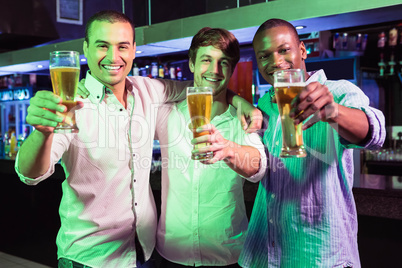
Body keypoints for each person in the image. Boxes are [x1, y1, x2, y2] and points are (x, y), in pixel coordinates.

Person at [15, 10, 193, 268]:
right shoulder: (72, 104)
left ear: (133, 50)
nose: (113, 57)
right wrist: (43, 132)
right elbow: (29, 174)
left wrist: (239, 101)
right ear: (85, 48)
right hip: (90, 259)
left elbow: (201, 87)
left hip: (144, 252)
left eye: (122, 46)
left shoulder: (148, 90)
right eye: (102, 46)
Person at [238, 18, 386, 268]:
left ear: (303, 50)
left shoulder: (338, 91)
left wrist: (333, 111)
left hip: (319, 256)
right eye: (264, 56)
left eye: (284, 50)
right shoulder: (264, 105)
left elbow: (375, 134)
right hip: (264, 254)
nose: (275, 61)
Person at [154, 27, 266, 268]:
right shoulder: (166, 114)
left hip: (227, 255)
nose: (214, 71)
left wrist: (226, 148)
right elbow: (129, 96)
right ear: (192, 64)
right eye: (206, 60)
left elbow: (259, 166)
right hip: (172, 253)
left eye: (223, 63)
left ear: (232, 69)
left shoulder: (243, 118)